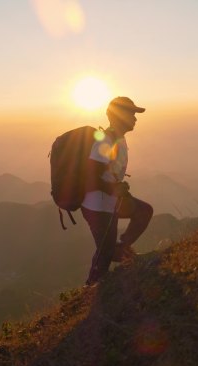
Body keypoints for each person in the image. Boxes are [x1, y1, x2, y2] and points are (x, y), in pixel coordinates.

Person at [81, 96, 154, 285]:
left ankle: (123, 251)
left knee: (143, 212)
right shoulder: (105, 140)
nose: (135, 118)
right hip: (97, 206)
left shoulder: (118, 139)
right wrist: (114, 187)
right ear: (120, 116)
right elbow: (90, 175)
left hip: (111, 200)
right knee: (105, 254)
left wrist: (117, 188)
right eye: (132, 114)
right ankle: (91, 288)